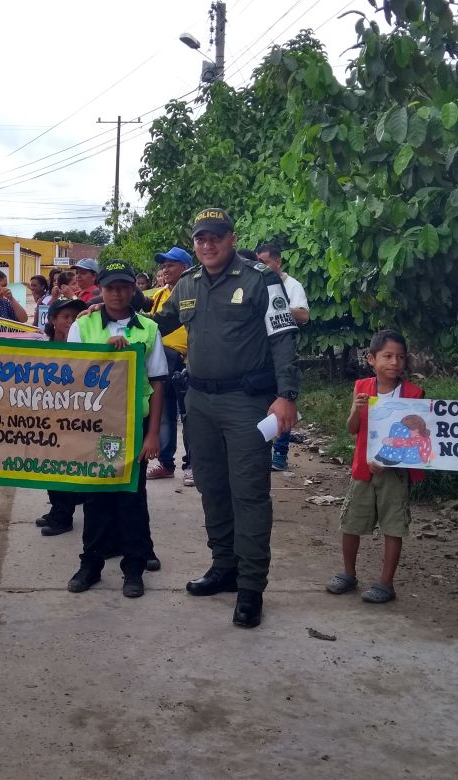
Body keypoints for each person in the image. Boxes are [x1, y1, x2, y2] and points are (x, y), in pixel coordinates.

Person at [151, 208, 300, 628]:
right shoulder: (187, 285)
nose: (208, 244)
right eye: (200, 238)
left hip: (246, 403)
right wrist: (112, 319)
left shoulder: (260, 279)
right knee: (212, 487)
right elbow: (155, 328)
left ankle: (251, 587)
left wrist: (286, 395)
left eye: (215, 236)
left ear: (231, 238)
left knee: (249, 493)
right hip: (199, 402)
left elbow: (283, 336)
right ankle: (225, 566)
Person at [65, 261, 166, 599]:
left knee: (131, 499)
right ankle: (90, 564)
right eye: (111, 287)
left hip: (132, 428)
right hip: (94, 425)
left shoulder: (148, 329)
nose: (118, 293)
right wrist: (104, 352)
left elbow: (157, 382)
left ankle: (134, 569)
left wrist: (153, 434)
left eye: (124, 286)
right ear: (102, 289)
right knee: (94, 498)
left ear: (133, 289)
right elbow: (71, 373)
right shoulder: (84, 325)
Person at [327, 329, 423, 604]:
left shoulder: (413, 395)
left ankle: (386, 583)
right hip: (364, 468)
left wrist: (390, 459)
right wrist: (357, 409)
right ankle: (348, 574)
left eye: (400, 357)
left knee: (394, 528)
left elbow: (418, 437)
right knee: (351, 523)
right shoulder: (362, 388)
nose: (394, 362)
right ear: (371, 359)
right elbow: (351, 429)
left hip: (395, 473)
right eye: (388, 356)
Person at [37, 297, 89, 537]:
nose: (70, 321)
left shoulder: (87, 344)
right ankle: (57, 508)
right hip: (46, 416)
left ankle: (63, 516)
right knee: (48, 464)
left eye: (75, 317)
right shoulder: (42, 345)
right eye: (65, 316)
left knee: (65, 465)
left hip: (74, 418)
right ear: (53, 320)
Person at [256, 243, 310, 472]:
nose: (261, 266)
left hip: (283, 351)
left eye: (266, 262)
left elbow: (304, 314)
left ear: (278, 262)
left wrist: (277, 310)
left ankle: (280, 454)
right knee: (264, 405)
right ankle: (263, 453)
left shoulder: (291, 285)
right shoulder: (255, 281)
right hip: (259, 355)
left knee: (284, 399)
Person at [146, 247, 194, 486]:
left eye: (170, 265)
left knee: (189, 416)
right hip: (162, 362)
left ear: (184, 268)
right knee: (164, 414)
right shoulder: (159, 295)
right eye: (163, 266)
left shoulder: (194, 292)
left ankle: (192, 464)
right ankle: (166, 463)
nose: (165, 270)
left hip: (186, 363)